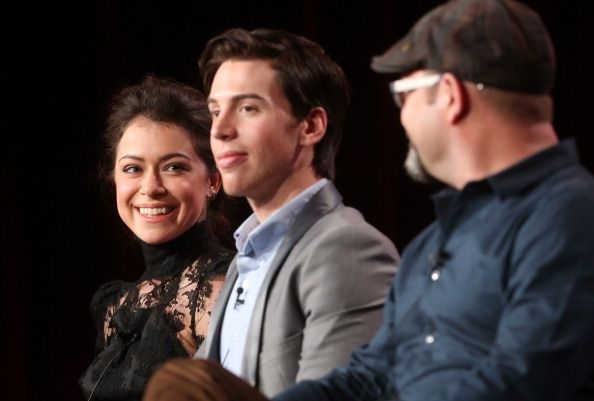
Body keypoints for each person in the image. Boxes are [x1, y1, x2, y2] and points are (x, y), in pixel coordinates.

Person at [143, 1, 594, 401]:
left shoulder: (567, 212)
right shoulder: (434, 242)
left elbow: (527, 378)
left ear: (451, 97)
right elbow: (368, 376)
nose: (401, 116)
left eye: (405, 94)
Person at [146, 27, 399, 398]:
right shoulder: (244, 260)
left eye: (248, 108)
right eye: (216, 111)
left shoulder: (346, 248)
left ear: (310, 126)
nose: (221, 130)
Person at [79, 75, 235, 401]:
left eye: (174, 167)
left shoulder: (222, 286)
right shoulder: (114, 305)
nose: (150, 188)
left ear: (213, 181)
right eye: (133, 169)